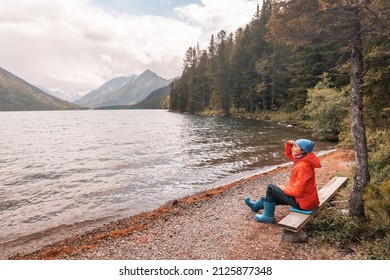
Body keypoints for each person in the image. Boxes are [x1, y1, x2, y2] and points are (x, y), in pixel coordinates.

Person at [244, 139, 321, 224]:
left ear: (303, 151)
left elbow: (298, 192)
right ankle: (255, 206)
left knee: (271, 188)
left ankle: (267, 217)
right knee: (273, 194)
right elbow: (289, 154)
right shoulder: (303, 159)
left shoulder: (303, 166)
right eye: (293, 146)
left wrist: (284, 189)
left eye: (295, 146)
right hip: (307, 200)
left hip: (304, 204)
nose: (292, 148)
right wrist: (289, 145)